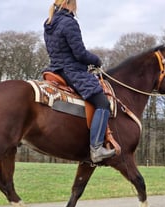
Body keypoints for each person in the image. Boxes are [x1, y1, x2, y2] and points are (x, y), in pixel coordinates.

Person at [43, 0, 115, 163]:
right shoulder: (69, 23)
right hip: (72, 71)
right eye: (75, 4)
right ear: (69, 3)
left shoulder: (49, 23)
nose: (76, 8)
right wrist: (96, 60)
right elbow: (80, 53)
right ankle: (96, 149)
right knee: (103, 103)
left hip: (55, 69)